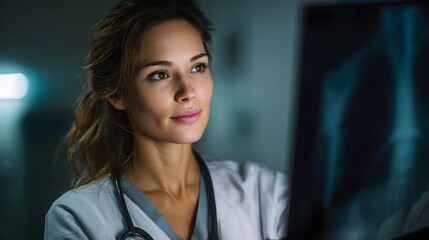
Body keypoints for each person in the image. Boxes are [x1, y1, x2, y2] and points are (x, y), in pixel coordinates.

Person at [44, 0, 288, 239]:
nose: (187, 92)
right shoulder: (78, 218)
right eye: (160, 74)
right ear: (117, 94)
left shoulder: (265, 193)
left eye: (197, 68)